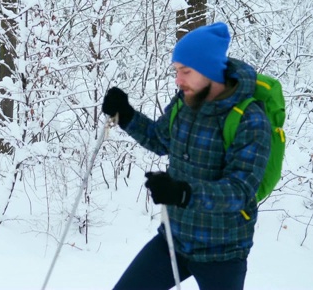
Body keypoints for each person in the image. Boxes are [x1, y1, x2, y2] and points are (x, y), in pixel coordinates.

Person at [102, 22, 271, 290]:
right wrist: (125, 114)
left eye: (186, 71)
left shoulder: (249, 119)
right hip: (174, 239)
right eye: (177, 71)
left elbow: (240, 190)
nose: (178, 80)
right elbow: (159, 139)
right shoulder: (185, 102)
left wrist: (183, 193)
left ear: (211, 72)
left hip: (222, 251)